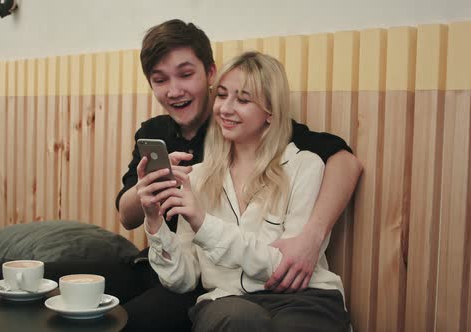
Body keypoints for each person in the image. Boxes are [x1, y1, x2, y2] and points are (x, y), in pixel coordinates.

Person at [116, 19, 361, 331]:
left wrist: (204, 223)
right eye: (222, 96)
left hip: (303, 297)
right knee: (237, 319)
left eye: (243, 100)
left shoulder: (306, 164)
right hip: (226, 299)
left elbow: (282, 267)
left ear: (270, 112)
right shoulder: (199, 175)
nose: (225, 109)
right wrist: (153, 219)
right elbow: (183, 277)